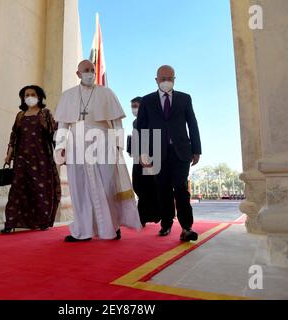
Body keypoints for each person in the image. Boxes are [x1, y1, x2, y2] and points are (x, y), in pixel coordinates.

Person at [54, 60, 142, 242]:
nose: (90, 73)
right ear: (78, 74)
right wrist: (60, 147)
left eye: (92, 70)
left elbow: (117, 121)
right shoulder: (68, 95)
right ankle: (82, 230)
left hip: (102, 142)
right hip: (76, 145)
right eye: (86, 70)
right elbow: (63, 124)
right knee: (79, 188)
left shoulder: (106, 93)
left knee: (108, 186)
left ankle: (113, 226)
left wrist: (118, 144)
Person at [137, 65, 202, 241]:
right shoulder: (147, 100)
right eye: (163, 78)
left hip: (181, 151)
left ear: (174, 79)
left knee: (181, 188)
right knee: (163, 190)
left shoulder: (184, 98)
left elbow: (192, 124)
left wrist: (196, 150)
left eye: (170, 78)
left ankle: (187, 227)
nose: (166, 81)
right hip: (156, 152)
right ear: (156, 80)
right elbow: (141, 128)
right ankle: (166, 224)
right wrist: (142, 153)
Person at [1, 85, 61, 234]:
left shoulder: (45, 113)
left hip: (41, 158)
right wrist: (9, 155)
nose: (29, 97)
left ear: (39, 97)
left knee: (40, 188)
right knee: (17, 190)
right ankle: (10, 223)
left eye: (32, 94)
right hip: (21, 159)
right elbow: (14, 136)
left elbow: (54, 132)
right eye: (26, 95)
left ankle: (42, 221)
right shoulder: (20, 115)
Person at [127, 97, 161, 227]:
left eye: (136, 106)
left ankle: (146, 216)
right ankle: (145, 215)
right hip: (137, 158)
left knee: (150, 186)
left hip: (150, 157)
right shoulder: (135, 122)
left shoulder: (152, 119)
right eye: (132, 106)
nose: (134, 109)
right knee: (138, 185)